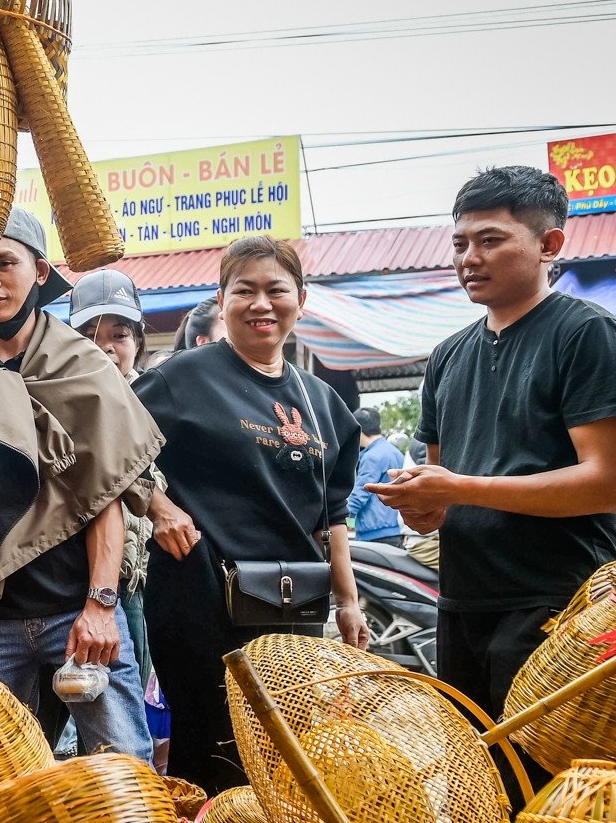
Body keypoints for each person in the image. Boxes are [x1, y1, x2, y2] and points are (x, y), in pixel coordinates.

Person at [370, 166, 616, 730]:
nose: (469, 258)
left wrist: (459, 488)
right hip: (462, 600)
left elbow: (607, 485)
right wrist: (423, 505)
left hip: (559, 604)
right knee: (476, 767)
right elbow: (440, 493)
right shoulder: (448, 355)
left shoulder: (588, 334)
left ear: (550, 245)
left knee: (543, 773)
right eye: (460, 244)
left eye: (491, 240)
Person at [0, 209, 161, 760]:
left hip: (77, 608)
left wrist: (101, 604)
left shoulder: (84, 366)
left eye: (4, 263)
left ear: (40, 271)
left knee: (124, 768)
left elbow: (103, 495)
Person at [133, 236, 365, 793]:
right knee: (213, 751)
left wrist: (348, 601)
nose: (261, 304)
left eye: (276, 290)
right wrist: (159, 507)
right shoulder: (180, 379)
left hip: (293, 608)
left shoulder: (323, 403)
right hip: (199, 602)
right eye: (245, 290)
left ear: (300, 301)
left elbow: (332, 515)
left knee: (288, 755)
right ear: (222, 300)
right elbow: (109, 446)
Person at [70, 269, 156, 702]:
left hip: (136, 583)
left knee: (127, 701)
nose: (105, 346)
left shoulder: (157, 400)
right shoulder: (57, 401)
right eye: (89, 335)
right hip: (68, 586)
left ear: (137, 342)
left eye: (119, 335)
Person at [348, 407, 408, 547]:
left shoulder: (372, 456)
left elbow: (360, 494)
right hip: (395, 530)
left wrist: (340, 519)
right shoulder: (396, 453)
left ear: (358, 429)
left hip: (374, 534)